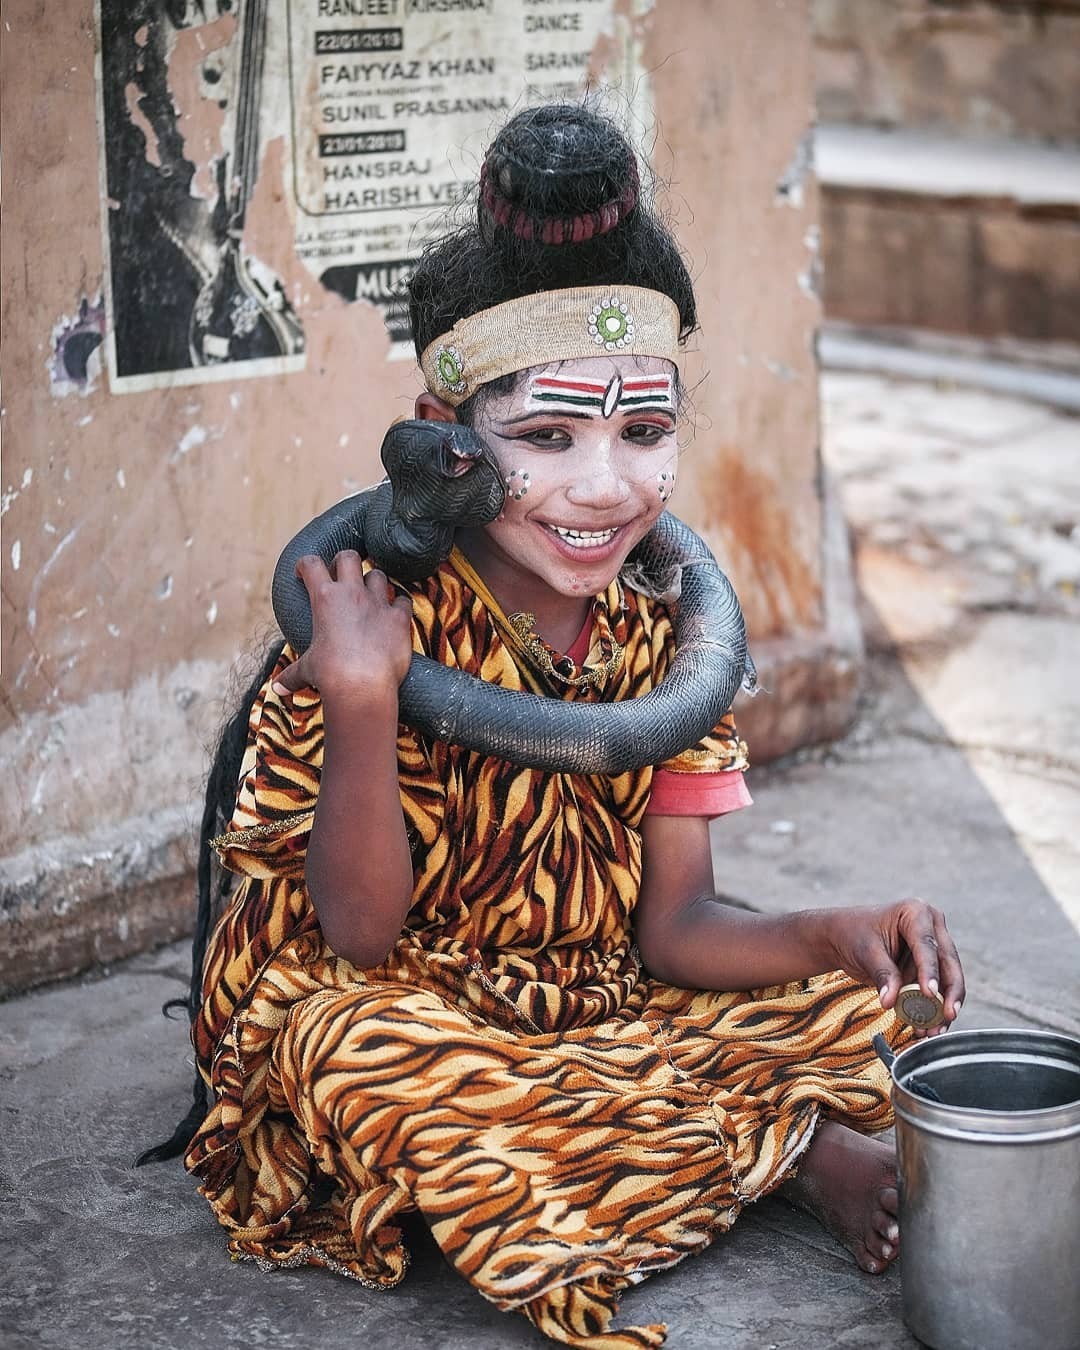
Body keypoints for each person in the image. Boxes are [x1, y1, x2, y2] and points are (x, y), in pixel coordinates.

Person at [160, 105, 965, 1349]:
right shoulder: (375, 620)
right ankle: (792, 1151)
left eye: (644, 433)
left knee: (863, 1015)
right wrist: (364, 700)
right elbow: (359, 938)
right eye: (547, 437)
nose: (604, 487)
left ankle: (724, 1140)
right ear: (446, 437)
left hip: (598, 992)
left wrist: (838, 930)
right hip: (401, 996)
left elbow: (680, 930)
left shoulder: (662, 637)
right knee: (380, 1065)